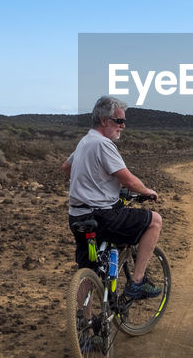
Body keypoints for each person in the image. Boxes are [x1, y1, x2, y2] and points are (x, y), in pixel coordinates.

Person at [62, 95, 163, 300]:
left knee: (87, 272)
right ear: (104, 120)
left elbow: (66, 167)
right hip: (101, 216)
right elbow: (129, 181)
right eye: (119, 121)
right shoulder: (103, 144)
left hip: (77, 216)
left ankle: (86, 329)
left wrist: (89, 184)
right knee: (154, 221)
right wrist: (147, 191)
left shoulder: (85, 141)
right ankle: (137, 282)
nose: (123, 126)